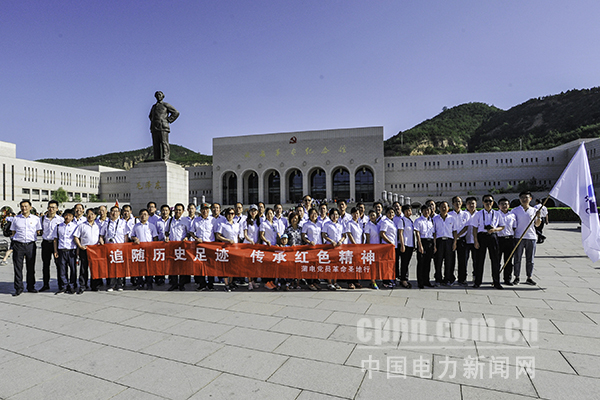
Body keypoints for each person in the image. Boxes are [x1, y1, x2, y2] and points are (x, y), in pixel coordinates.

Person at [472, 194, 504, 289]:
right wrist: (475, 240)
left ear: (493, 202)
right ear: (483, 202)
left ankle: (496, 282)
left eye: (490, 201)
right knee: (479, 260)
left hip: (493, 236)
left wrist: (495, 229)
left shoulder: (497, 214)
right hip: (481, 236)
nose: (488, 203)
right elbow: (475, 228)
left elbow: (502, 226)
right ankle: (477, 282)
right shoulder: (478, 214)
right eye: (486, 201)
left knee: (495, 260)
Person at [10, 200, 42, 296]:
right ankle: (18, 288)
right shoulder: (16, 219)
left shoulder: (36, 219)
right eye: (22, 206)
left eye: (26, 206)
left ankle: (31, 286)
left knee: (31, 267)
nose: (24, 208)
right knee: (18, 267)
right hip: (18, 245)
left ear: (30, 207)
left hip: (30, 245)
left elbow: (38, 231)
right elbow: (13, 232)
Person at [512, 191, 542, 286]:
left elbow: (537, 225)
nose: (524, 199)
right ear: (519, 199)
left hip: (531, 237)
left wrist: (538, 217)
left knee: (530, 259)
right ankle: (516, 277)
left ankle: (529, 277)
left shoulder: (534, 210)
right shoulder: (515, 210)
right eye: (522, 197)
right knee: (517, 258)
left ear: (530, 199)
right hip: (519, 237)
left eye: (526, 197)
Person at [100, 206, 129, 291]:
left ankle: (120, 284)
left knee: (120, 267)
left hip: (120, 248)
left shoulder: (123, 223)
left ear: (119, 213)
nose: (114, 213)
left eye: (116, 211)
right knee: (111, 268)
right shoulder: (106, 223)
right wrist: (102, 244)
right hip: (110, 249)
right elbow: (101, 235)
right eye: (113, 211)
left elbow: (125, 236)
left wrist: (125, 246)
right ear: (110, 213)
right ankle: (111, 285)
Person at [128, 208, 159, 290]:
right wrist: (135, 238)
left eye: (145, 214)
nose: (143, 216)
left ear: (148, 216)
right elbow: (132, 235)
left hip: (149, 249)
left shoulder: (151, 226)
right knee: (140, 267)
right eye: (141, 214)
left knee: (149, 267)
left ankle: (149, 283)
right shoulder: (136, 226)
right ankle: (140, 283)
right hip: (139, 250)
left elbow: (155, 238)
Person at [73, 208, 101, 294]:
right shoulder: (82, 226)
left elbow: (101, 236)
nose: (90, 216)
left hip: (95, 250)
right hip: (85, 249)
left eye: (92, 214)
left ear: (95, 216)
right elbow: (76, 237)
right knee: (83, 268)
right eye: (88, 214)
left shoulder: (98, 226)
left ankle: (94, 285)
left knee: (95, 268)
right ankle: (83, 285)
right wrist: (80, 246)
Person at [164, 203, 190, 291]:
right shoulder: (170, 220)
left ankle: (181, 284)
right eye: (176, 210)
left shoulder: (185, 221)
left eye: (180, 210)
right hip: (172, 246)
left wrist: (186, 237)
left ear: (183, 211)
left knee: (182, 265)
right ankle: (174, 283)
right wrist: (167, 237)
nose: (178, 211)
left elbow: (189, 232)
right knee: (173, 266)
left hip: (182, 246)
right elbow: (166, 231)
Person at [40, 200, 64, 292]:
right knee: (45, 265)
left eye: (53, 207)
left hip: (56, 243)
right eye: (50, 207)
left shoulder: (60, 219)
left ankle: (61, 285)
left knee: (59, 264)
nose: (51, 209)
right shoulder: (42, 219)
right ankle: (45, 284)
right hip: (46, 243)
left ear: (57, 209)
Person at [149, 90, 179, 161]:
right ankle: (156, 157)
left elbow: (176, 112)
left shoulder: (166, 105)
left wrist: (168, 120)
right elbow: (150, 116)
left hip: (163, 126)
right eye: (157, 95)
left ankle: (166, 156)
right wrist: (154, 122)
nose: (158, 96)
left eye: (160, 95)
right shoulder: (154, 106)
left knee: (164, 142)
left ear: (163, 96)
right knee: (156, 143)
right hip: (154, 127)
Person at [192, 203, 216, 291]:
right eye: (203, 209)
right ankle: (202, 284)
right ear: (200, 210)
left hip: (210, 245)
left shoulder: (213, 220)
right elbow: (191, 232)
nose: (205, 211)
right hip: (200, 246)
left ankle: (210, 284)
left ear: (209, 210)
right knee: (200, 265)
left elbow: (216, 233)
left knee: (210, 265)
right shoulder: (196, 220)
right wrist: (196, 238)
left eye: (206, 209)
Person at [53, 209, 78, 294]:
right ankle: (64, 286)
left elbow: (77, 239)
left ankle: (72, 286)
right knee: (62, 269)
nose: (67, 217)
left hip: (71, 250)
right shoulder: (58, 226)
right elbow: (55, 239)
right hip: (61, 250)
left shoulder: (75, 226)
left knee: (73, 269)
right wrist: (55, 250)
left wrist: (77, 251)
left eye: (70, 216)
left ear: (73, 217)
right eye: (66, 215)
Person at [214, 207, 240, 292]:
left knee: (232, 266)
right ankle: (226, 284)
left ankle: (231, 282)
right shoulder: (222, 224)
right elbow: (218, 236)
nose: (230, 215)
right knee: (225, 267)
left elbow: (238, 236)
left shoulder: (236, 224)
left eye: (232, 213)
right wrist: (227, 240)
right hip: (225, 248)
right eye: (229, 213)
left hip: (234, 248)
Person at [433, 201, 457, 286]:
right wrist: (434, 244)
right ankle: (438, 279)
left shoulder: (452, 218)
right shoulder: (435, 219)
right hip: (439, 241)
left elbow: (454, 231)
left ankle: (448, 279)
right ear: (439, 208)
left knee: (449, 261)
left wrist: (455, 242)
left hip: (449, 241)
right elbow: (434, 232)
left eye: (445, 207)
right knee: (438, 261)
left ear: (448, 208)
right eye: (442, 207)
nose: (443, 208)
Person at [322, 208, 346, 290]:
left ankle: (335, 282)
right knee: (329, 265)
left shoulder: (340, 225)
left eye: (336, 214)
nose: (335, 216)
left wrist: (341, 241)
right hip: (330, 247)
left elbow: (344, 235)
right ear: (330, 215)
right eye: (333, 214)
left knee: (336, 265)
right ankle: (329, 282)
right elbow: (324, 235)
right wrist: (331, 241)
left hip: (338, 247)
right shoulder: (327, 224)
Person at [449, 196, 470, 286]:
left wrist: (458, 235)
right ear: (453, 203)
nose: (457, 203)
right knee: (451, 260)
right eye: (456, 202)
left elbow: (466, 227)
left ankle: (462, 279)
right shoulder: (449, 215)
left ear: (462, 203)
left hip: (462, 240)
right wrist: (454, 237)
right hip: (452, 240)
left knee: (463, 260)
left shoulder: (466, 214)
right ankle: (450, 278)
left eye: (459, 202)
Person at [302, 208, 323, 291]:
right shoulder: (306, 224)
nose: (314, 215)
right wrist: (309, 242)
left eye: (315, 213)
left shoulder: (320, 224)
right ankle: (310, 282)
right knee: (310, 265)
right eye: (312, 213)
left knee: (317, 265)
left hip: (319, 247)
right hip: (310, 247)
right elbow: (303, 236)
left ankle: (315, 281)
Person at [497, 198, 517, 286]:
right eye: (502, 204)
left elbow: (514, 227)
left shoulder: (512, 215)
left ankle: (507, 279)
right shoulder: (496, 214)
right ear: (499, 206)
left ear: (509, 205)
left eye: (506, 204)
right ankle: (496, 279)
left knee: (508, 261)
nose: (504, 205)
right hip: (499, 239)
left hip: (509, 239)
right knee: (497, 260)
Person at [414, 205, 435, 289]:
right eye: (425, 210)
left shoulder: (431, 221)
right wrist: (420, 245)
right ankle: (420, 282)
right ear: (422, 211)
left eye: (428, 210)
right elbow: (417, 233)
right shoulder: (418, 220)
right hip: (422, 241)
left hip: (430, 242)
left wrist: (434, 245)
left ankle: (426, 280)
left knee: (428, 263)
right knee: (421, 263)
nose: (427, 212)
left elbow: (434, 233)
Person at [345, 207, 364, 289]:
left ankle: (356, 281)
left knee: (357, 265)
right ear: (351, 214)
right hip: (352, 247)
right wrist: (355, 244)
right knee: (351, 265)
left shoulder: (360, 224)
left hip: (359, 247)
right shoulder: (349, 223)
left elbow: (362, 235)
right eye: (354, 213)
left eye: (357, 213)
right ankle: (350, 282)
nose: (356, 215)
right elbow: (349, 234)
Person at [379, 207, 398, 288]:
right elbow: (382, 233)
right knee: (386, 264)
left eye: (392, 212)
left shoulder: (392, 222)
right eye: (389, 212)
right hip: (387, 246)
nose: (391, 214)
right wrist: (389, 242)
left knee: (390, 264)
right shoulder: (385, 222)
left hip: (392, 246)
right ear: (386, 213)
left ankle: (390, 280)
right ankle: (386, 282)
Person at [363, 209, 382, 290]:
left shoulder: (378, 225)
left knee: (376, 265)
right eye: (371, 215)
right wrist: (369, 247)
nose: (372, 217)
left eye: (373, 215)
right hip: (371, 248)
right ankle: (373, 281)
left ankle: (373, 280)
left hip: (378, 247)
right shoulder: (368, 225)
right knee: (372, 265)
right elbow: (367, 237)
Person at [284, 211, 303, 290]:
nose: (294, 220)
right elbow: (285, 240)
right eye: (293, 218)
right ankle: (291, 282)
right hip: (291, 251)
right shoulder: (288, 229)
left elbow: (303, 239)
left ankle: (298, 283)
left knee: (298, 267)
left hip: (299, 251)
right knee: (291, 267)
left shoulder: (301, 229)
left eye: (296, 218)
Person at [397, 204, 414, 289]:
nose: (409, 212)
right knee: (404, 262)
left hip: (410, 245)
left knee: (407, 263)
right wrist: (402, 245)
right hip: (405, 244)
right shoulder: (402, 220)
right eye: (407, 211)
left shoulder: (410, 221)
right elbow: (400, 233)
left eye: (410, 210)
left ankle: (404, 278)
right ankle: (403, 279)